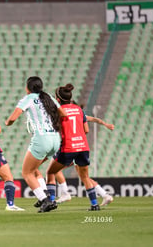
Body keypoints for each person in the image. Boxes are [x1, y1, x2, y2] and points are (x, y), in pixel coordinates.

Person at [5, 76, 66, 213]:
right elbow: (63, 113)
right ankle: (44, 195)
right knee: (34, 169)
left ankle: (45, 200)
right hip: (55, 139)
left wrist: (7, 123)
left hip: (42, 139)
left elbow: (12, 118)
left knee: (26, 173)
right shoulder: (48, 97)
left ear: (28, 87)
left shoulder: (28, 98)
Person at [45, 83, 101, 211]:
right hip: (83, 146)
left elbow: (55, 129)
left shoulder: (59, 112)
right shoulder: (79, 109)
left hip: (69, 147)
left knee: (51, 172)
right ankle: (94, 204)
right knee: (85, 177)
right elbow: (86, 130)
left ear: (58, 99)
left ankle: (51, 201)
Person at [55, 114, 114, 206]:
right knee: (84, 177)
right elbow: (94, 119)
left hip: (72, 148)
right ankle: (105, 195)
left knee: (56, 169)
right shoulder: (78, 114)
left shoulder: (64, 115)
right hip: (81, 146)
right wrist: (105, 124)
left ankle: (65, 193)